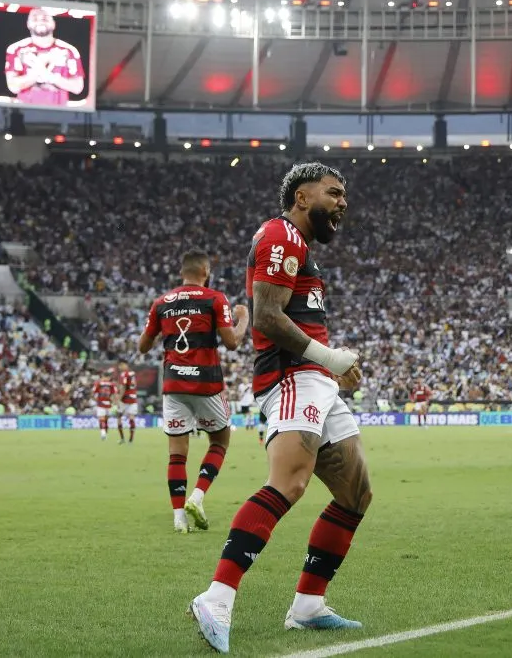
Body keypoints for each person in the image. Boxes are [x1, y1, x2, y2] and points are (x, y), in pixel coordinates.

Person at [188, 162, 371, 654]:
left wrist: (331, 367)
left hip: (316, 380)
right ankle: (216, 597)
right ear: (301, 197)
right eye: (333, 192)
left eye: (344, 195)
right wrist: (328, 358)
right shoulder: (280, 235)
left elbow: (295, 318)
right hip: (291, 377)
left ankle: (308, 605)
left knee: (355, 492)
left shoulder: (299, 245)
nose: (342, 202)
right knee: (288, 483)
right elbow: (266, 316)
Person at [139, 250, 249, 534]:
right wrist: (243, 319)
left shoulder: (161, 303)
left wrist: (163, 329)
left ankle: (179, 518)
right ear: (205, 271)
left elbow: (143, 346)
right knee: (220, 441)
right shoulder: (215, 298)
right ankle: (197, 497)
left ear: (181, 273)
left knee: (177, 454)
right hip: (206, 383)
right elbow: (232, 342)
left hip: (173, 383)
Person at [4, 8, 86, 106]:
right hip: (25, 110)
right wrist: (40, 68)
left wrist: (51, 77)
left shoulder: (69, 50)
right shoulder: (16, 49)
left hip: (59, 110)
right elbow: (13, 86)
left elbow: (77, 88)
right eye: (35, 19)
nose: (40, 22)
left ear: (53, 23)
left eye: (45, 18)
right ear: (28, 24)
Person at [91, 374, 118, 441]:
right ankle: (104, 433)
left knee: (102, 419)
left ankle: (103, 432)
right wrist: (115, 402)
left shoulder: (98, 383)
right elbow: (115, 394)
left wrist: (94, 399)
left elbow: (92, 392)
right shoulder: (112, 384)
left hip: (101, 403)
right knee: (105, 419)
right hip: (108, 404)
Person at [117, 362, 138, 444]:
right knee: (131, 418)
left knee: (119, 417)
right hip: (133, 397)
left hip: (125, 398)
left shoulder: (124, 374)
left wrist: (119, 399)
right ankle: (131, 440)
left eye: (120, 365)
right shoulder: (132, 373)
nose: (119, 367)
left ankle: (122, 439)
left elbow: (123, 387)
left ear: (124, 365)